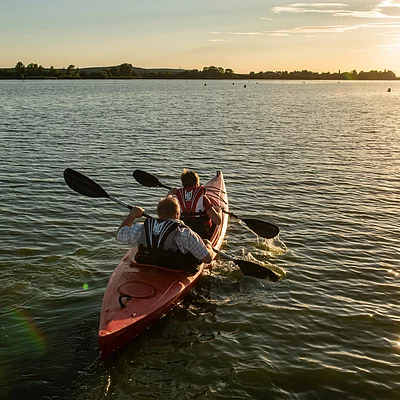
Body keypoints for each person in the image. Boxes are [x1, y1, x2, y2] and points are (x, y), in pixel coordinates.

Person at [116, 196, 215, 272]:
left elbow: (119, 235)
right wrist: (208, 245)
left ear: (158, 213)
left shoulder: (141, 228)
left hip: (147, 265)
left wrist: (132, 215)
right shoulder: (185, 233)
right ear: (177, 214)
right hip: (174, 270)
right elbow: (207, 259)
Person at [167, 169, 222, 238]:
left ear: (183, 184)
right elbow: (217, 221)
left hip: (182, 232)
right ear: (197, 184)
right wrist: (219, 211)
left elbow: (166, 210)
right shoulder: (203, 199)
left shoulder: (175, 199)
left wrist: (169, 194)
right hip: (200, 234)